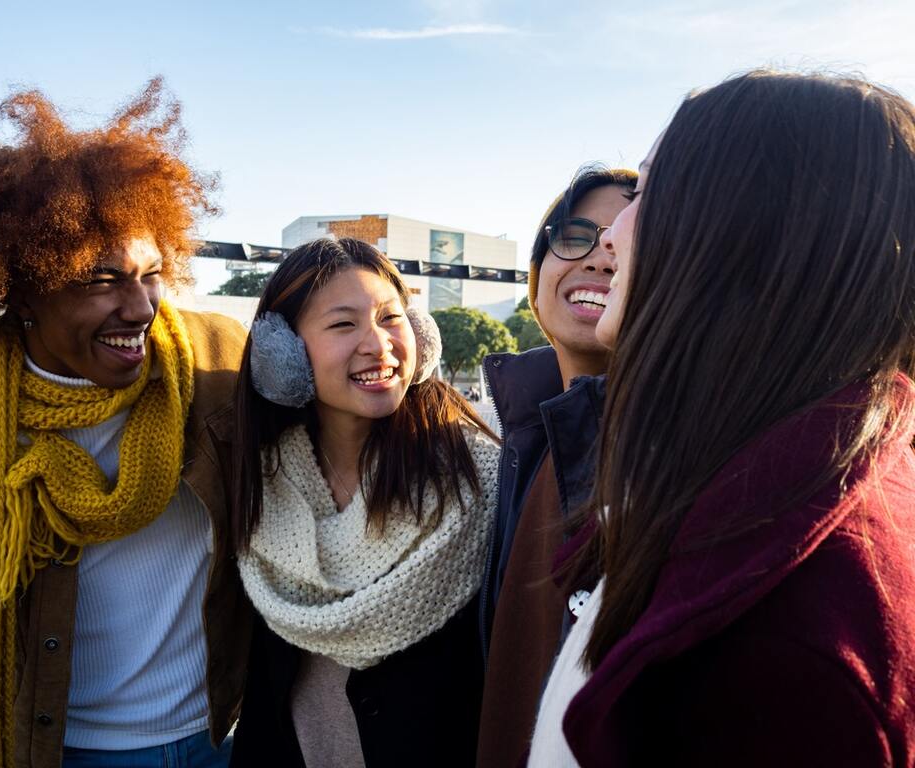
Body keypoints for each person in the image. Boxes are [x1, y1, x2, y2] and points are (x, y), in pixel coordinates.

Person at [530, 70, 915, 766]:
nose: (609, 237)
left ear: (744, 230)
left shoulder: (790, 645)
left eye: (646, 191)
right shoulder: (745, 493)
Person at [0, 79, 251, 768]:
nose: (141, 305)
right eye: (101, 279)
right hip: (66, 754)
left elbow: (351, 389)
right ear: (21, 290)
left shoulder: (216, 365)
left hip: (228, 741)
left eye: (149, 274)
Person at [226, 236, 499, 768]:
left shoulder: (476, 472)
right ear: (282, 353)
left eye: (391, 318)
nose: (378, 344)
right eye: (343, 324)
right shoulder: (262, 481)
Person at [476, 166, 635, 768]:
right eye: (575, 236)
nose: (598, 258)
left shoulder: (661, 454)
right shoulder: (526, 432)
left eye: (620, 241)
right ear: (537, 269)